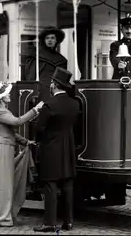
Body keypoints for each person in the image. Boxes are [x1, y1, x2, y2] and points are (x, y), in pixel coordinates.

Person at [0, 82, 44, 227]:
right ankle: (0, 217)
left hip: (3, 147)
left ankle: (5, 215)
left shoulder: (2, 110)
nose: (9, 95)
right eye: (7, 94)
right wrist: (35, 110)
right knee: (3, 185)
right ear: (1, 98)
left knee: (5, 184)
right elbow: (18, 122)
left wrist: (25, 142)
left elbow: (10, 133)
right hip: (1, 149)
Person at [33, 67, 79, 233]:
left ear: (54, 84)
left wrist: (40, 140)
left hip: (51, 149)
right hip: (68, 149)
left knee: (51, 186)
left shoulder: (49, 105)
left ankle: (50, 223)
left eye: (52, 82)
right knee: (67, 185)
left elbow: (39, 128)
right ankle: (69, 222)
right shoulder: (75, 104)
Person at [25, 26, 68, 102]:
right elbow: (31, 76)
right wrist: (33, 93)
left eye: (52, 38)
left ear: (56, 40)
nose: (50, 40)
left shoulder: (61, 59)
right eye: (47, 38)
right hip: (41, 91)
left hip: (56, 91)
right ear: (44, 40)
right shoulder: (36, 56)